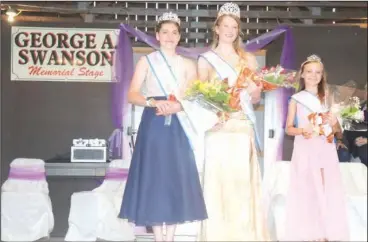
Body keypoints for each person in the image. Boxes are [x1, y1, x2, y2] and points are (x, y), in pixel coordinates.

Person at [118, 12, 207, 242]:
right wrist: (152, 102)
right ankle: (158, 237)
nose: (169, 36)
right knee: (155, 178)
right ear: (157, 35)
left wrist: (177, 106)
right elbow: (132, 93)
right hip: (154, 123)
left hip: (178, 124)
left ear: (179, 37)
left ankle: (171, 236)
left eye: (174, 32)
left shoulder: (188, 64)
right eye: (165, 32)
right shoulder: (146, 62)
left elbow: (194, 97)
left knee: (175, 178)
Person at [196, 2, 269, 241]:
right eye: (225, 25)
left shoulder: (248, 59)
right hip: (218, 128)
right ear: (216, 28)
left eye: (234, 26)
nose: (229, 30)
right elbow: (200, 95)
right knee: (217, 188)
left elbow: (256, 97)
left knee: (241, 187)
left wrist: (255, 89)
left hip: (241, 126)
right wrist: (217, 107)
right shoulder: (205, 59)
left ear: (238, 30)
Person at [284, 54, 349, 241]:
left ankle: (324, 233)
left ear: (322, 75)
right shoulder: (297, 99)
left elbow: (338, 132)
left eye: (317, 72)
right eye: (309, 72)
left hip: (324, 147)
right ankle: (309, 233)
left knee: (325, 187)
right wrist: (301, 130)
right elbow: (288, 129)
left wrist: (334, 122)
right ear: (302, 74)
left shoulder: (328, 98)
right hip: (305, 146)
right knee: (307, 188)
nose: (313, 75)